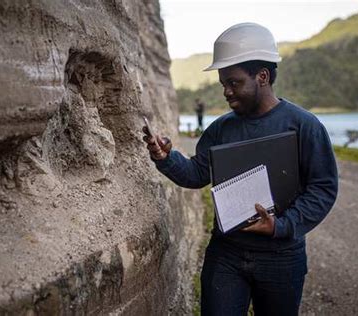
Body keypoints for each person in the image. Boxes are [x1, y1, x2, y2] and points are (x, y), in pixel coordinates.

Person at [142, 22, 338, 316]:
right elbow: (197, 174)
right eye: (223, 84)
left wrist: (281, 226)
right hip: (227, 254)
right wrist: (166, 157)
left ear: (262, 77)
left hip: (281, 257)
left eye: (234, 83)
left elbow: (323, 188)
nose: (226, 92)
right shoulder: (221, 128)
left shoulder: (304, 126)